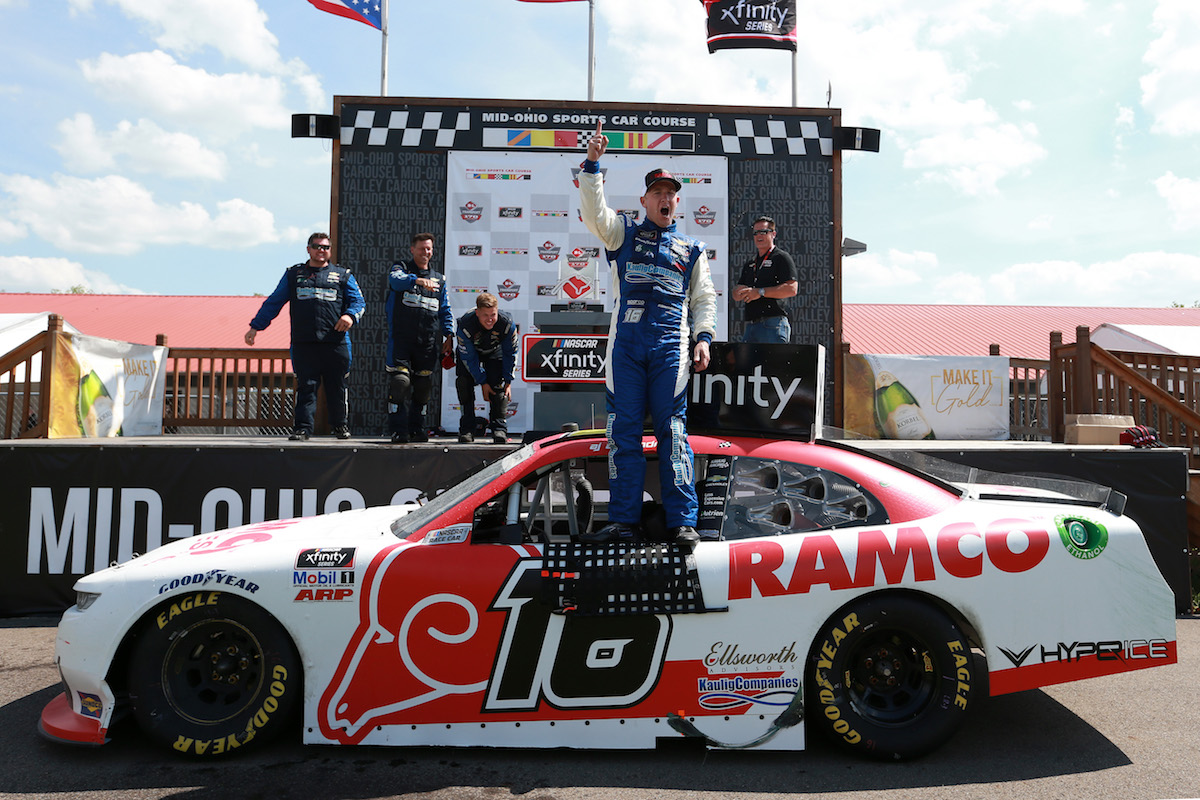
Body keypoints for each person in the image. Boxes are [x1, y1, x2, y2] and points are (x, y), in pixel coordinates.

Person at [577, 120, 717, 547]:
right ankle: (623, 521)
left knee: (673, 431)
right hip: (626, 348)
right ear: (644, 199)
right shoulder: (624, 233)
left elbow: (704, 298)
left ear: (677, 201)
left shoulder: (691, 249)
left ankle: (682, 523)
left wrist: (704, 337)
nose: (665, 199)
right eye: (657, 193)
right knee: (623, 432)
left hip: (670, 348)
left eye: (671, 194)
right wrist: (593, 166)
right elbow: (593, 214)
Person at [245, 232, 366, 441]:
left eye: (326, 247)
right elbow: (274, 301)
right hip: (304, 342)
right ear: (308, 249)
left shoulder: (343, 275)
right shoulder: (294, 274)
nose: (321, 250)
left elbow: (359, 303)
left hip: (336, 342)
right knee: (306, 387)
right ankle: (302, 429)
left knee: (337, 387)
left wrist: (349, 316)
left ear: (330, 250)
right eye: (317, 246)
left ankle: (340, 427)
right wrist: (256, 327)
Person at [385, 233, 454, 444]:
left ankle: (417, 428)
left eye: (429, 249)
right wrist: (416, 280)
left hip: (427, 342)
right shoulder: (401, 269)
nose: (426, 252)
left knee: (423, 387)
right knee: (400, 382)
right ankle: (398, 430)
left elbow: (445, 310)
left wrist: (449, 335)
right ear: (412, 249)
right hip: (402, 340)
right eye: (422, 248)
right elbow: (394, 282)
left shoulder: (439, 279)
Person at [455, 292, 518, 444]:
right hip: (471, 353)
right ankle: (467, 429)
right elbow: (469, 359)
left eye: (493, 315)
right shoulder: (465, 325)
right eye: (485, 315)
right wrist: (483, 382)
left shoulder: (507, 323)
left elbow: (511, 353)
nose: (490, 319)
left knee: (499, 385)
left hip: (494, 351)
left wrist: (508, 381)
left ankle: (499, 429)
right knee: (464, 383)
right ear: (477, 313)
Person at [733, 216, 797, 343]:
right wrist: (738, 291)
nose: (758, 236)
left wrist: (760, 292)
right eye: (755, 233)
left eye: (763, 232)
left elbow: (792, 289)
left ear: (773, 234)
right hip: (751, 325)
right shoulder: (751, 263)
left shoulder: (781, 257)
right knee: (746, 363)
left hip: (773, 323)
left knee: (774, 363)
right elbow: (736, 295)